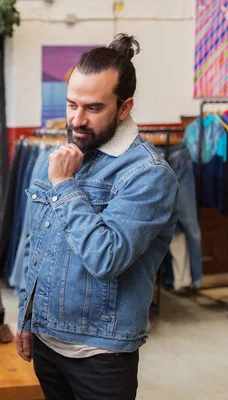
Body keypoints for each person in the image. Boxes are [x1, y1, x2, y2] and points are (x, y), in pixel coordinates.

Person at [15, 34, 179, 400]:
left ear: (124, 108)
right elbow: (34, 247)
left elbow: (107, 257)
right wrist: (26, 318)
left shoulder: (148, 175)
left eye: (93, 108)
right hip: (45, 340)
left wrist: (65, 186)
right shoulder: (55, 158)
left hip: (101, 353)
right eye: (71, 104)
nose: (77, 119)